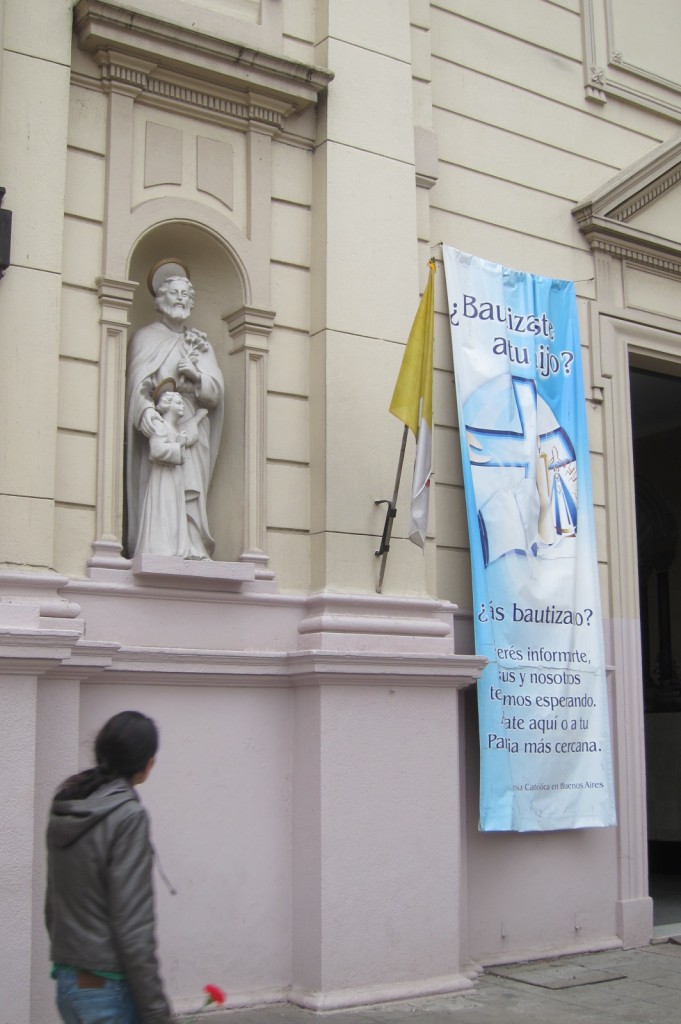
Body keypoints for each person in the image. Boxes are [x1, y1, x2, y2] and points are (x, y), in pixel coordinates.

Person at [45, 711, 172, 1024]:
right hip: (109, 989)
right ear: (148, 763)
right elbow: (133, 925)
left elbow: (53, 906)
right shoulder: (127, 816)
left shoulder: (69, 804)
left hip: (69, 981)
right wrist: (157, 1011)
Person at [126, 272, 224, 559]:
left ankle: (193, 545)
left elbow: (215, 392)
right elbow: (137, 387)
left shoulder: (199, 344)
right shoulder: (146, 338)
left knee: (191, 487)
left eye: (185, 294)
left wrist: (196, 376)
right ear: (160, 299)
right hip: (162, 423)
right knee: (164, 486)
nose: (181, 298)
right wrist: (147, 413)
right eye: (174, 292)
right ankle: (163, 544)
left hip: (193, 426)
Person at [135, 385, 208, 557]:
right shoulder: (160, 426)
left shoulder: (174, 428)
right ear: (167, 405)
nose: (182, 406)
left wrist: (198, 417)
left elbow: (188, 431)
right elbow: (156, 451)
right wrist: (179, 445)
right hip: (163, 477)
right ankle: (161, 549)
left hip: (174, 477)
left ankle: (176, 549)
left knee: (175, 511)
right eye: (178, 402)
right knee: (164, 510)